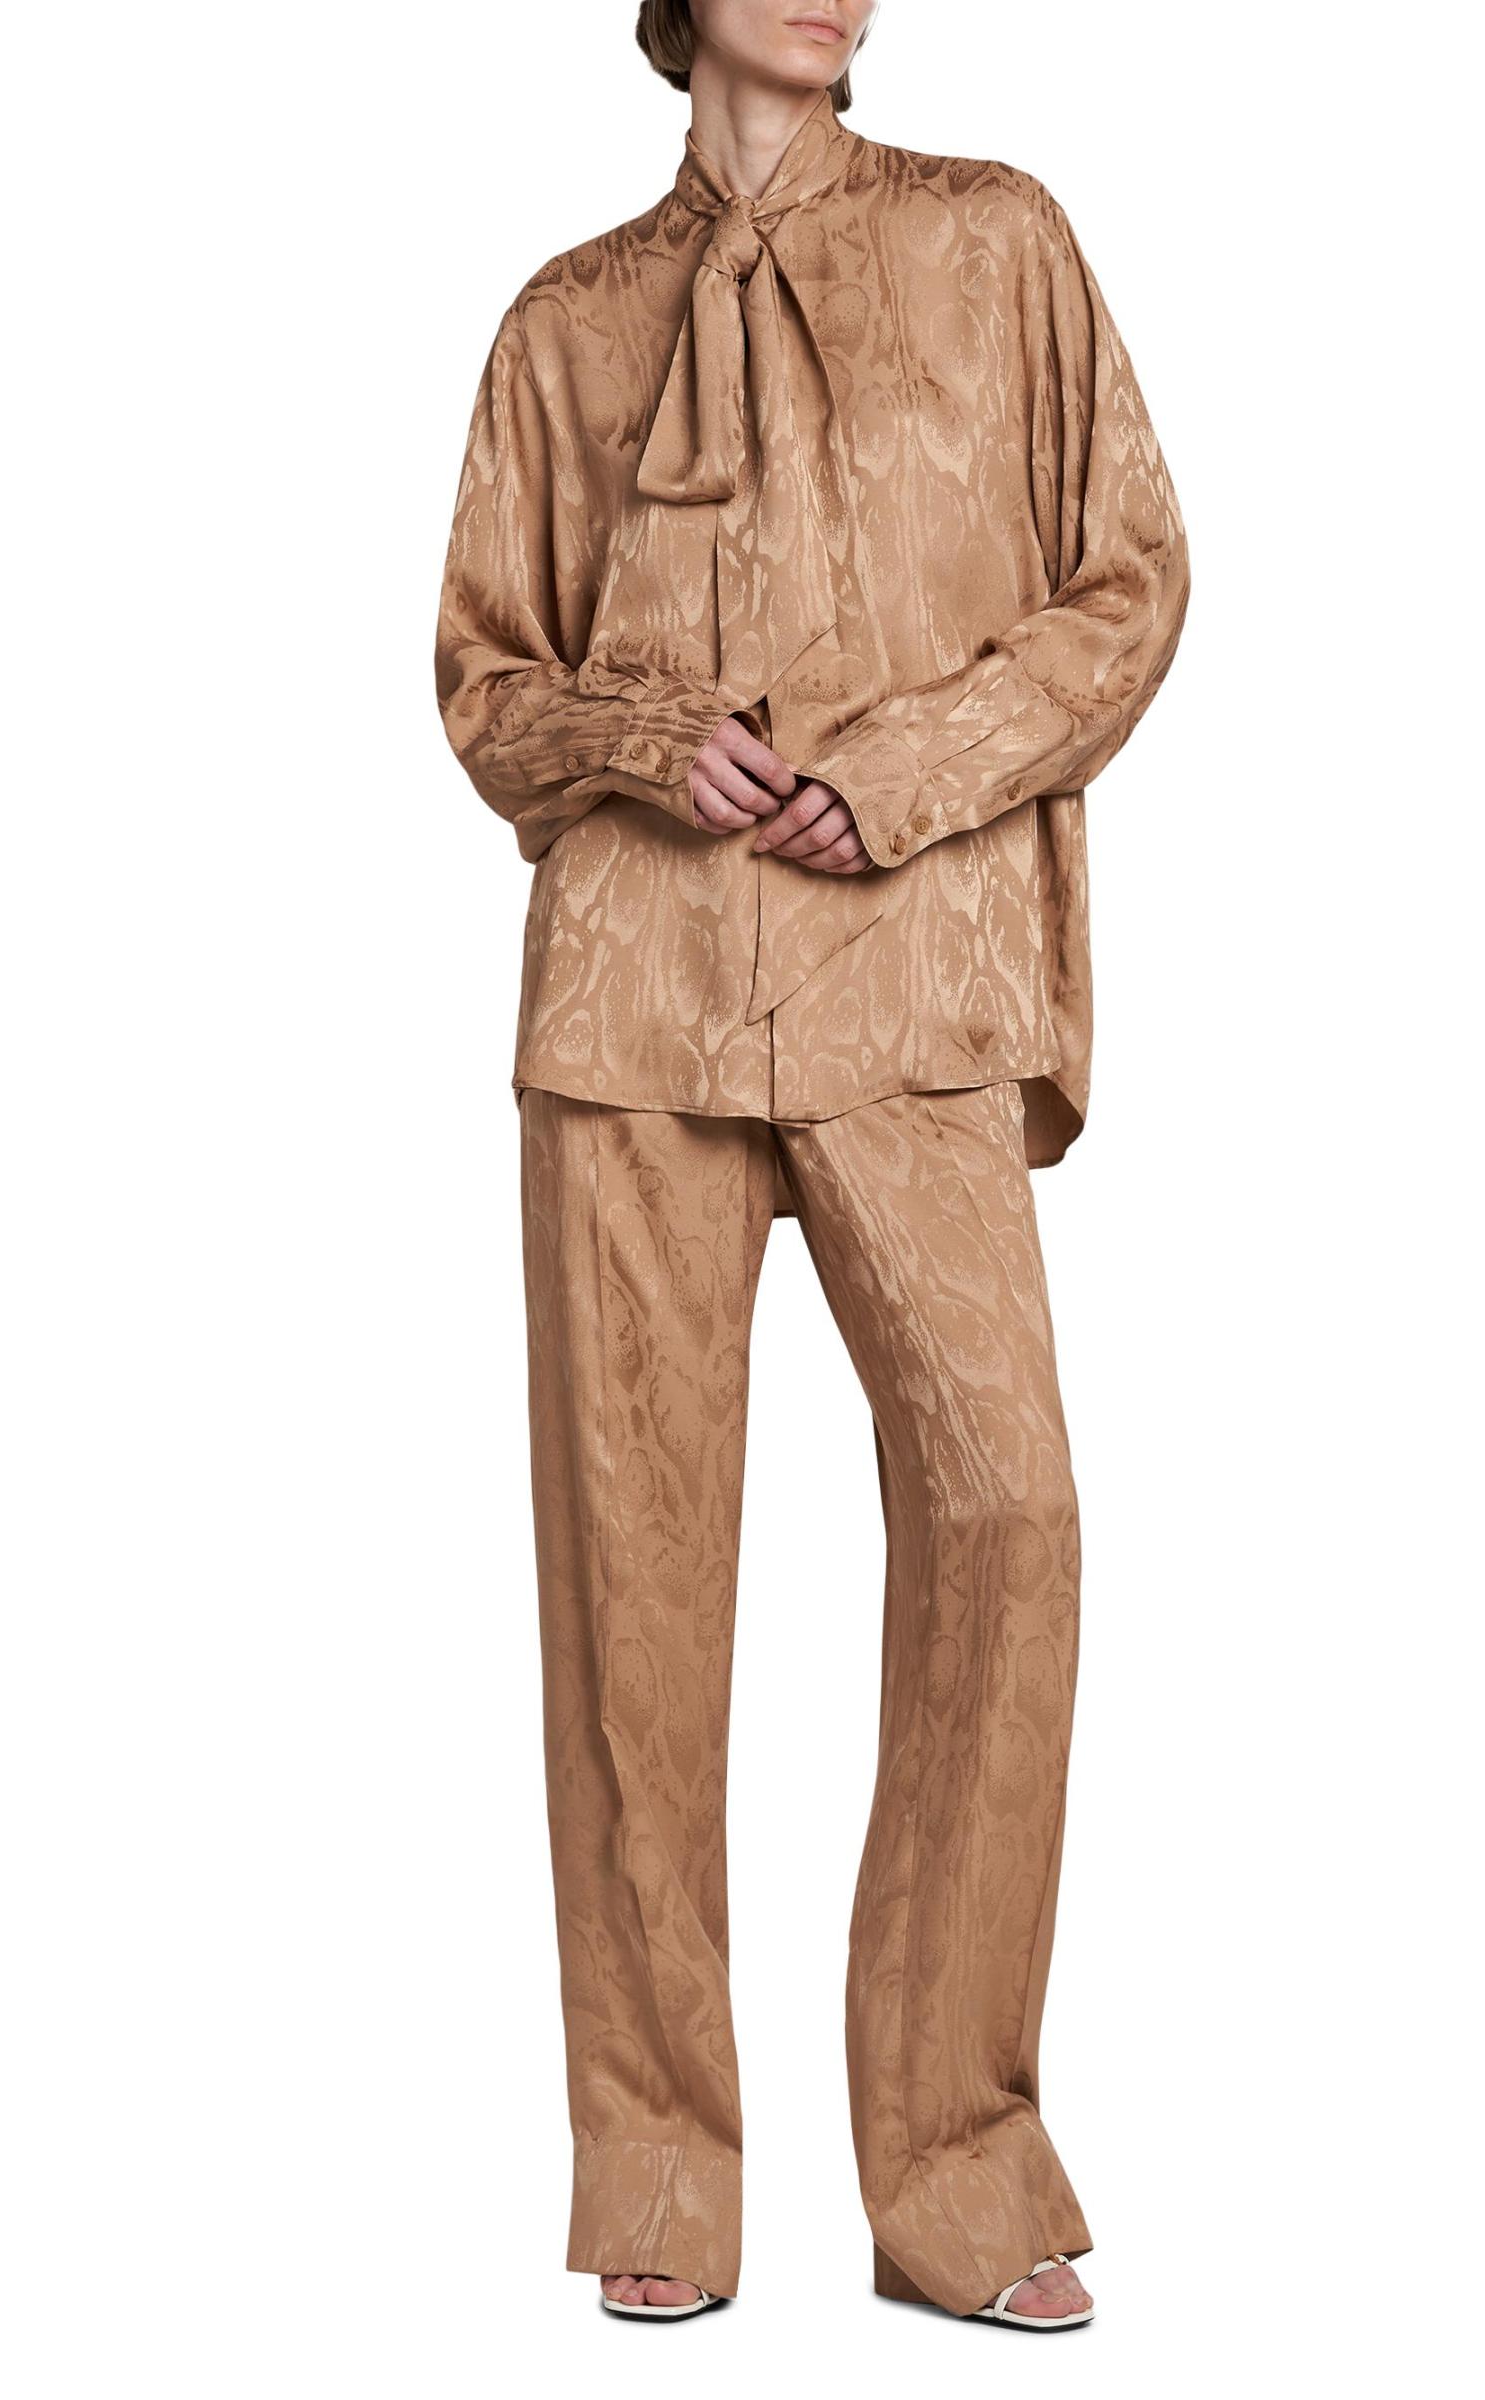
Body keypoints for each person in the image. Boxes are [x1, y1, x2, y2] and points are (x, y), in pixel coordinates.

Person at [433, 0, 1189, 2329]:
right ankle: (657, 2178)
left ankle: (954, 2163)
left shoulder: (1001, 248)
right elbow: (483, 683)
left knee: (1008, 1513)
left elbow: (1128, 587)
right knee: (633, 1600)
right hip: (631, 999)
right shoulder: (566, 322)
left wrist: (916, 768)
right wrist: (643, 736)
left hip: (915, 983)